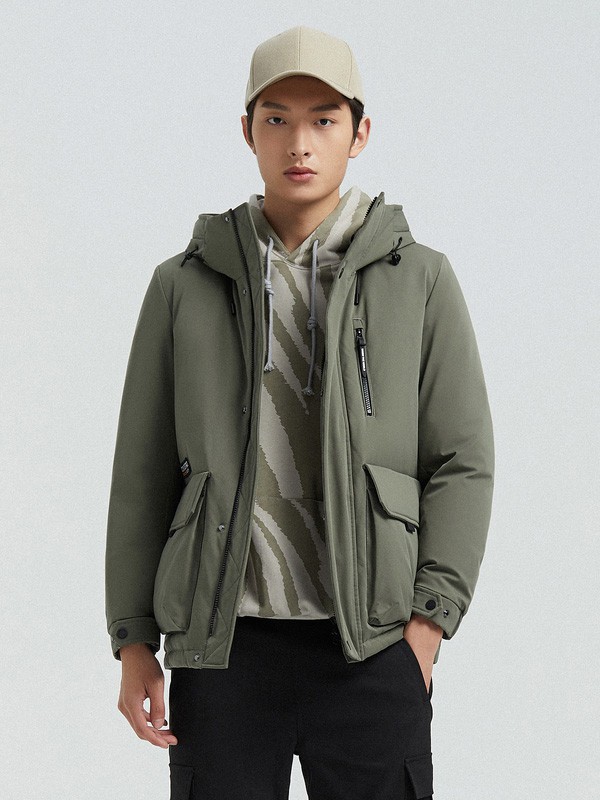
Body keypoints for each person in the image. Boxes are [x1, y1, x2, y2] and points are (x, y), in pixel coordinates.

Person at [105, 25, 494, 800]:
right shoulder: (184, 285)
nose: (300, 142)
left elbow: (462, 460)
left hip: (371, 647)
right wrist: (134, 640)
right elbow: (142, 474)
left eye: (324, 119)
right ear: (247, 131)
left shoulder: (418, 280)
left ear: (360, 133)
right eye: (277, 119)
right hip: (224, 650)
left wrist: (427, 627)